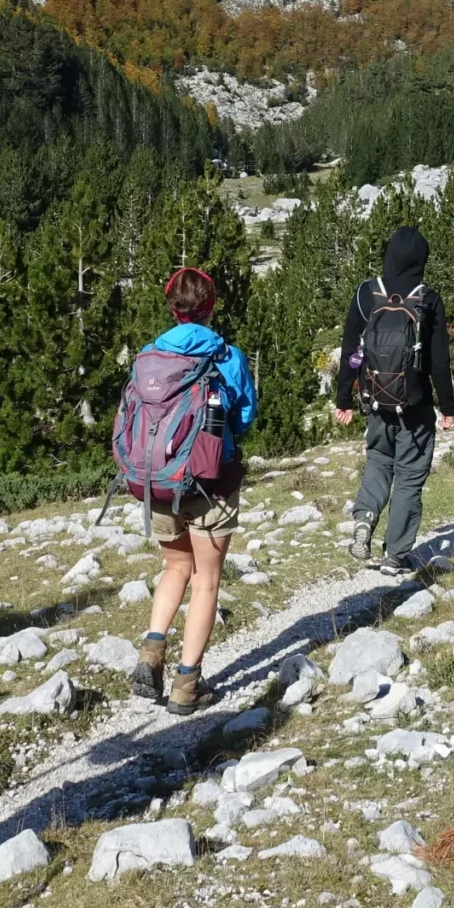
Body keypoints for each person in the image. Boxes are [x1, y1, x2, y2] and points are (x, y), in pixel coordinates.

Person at [132, 267, 257, 714]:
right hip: (210, 481)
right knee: (206, 582)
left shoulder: (148, 356)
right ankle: (187, 684)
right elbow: (244, 416)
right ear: (211, 306)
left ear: (172, 308)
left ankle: (151, 653)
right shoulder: (227, 356)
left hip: (158, 482)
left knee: (175, 567)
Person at [334, 225, 454, 573]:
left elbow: (351, 353)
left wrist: (344, 398)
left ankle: (364, 519)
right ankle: (395, 556)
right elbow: (439, 361)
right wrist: (446, 408)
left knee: (378, 462)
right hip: (414, 406)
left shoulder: (365, 293)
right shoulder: (428, 299)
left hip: (375, 403)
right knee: (410, 476)